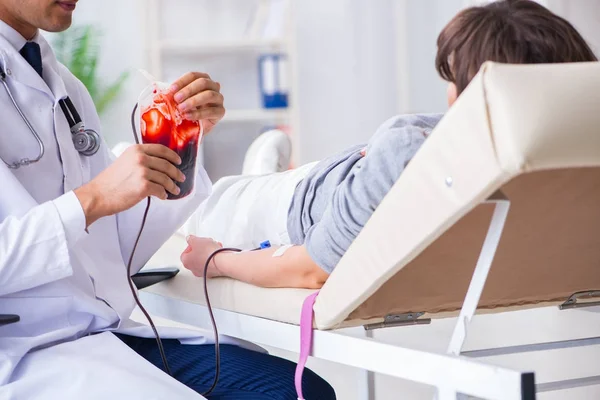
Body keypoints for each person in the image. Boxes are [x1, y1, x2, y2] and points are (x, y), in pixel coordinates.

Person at [0, 1, 335, 399]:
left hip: (98, 333)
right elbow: (90, 206)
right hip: (24, 351)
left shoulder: (63, 85)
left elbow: (113, 250)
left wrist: (183, 142)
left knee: (299, 391)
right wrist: (91, 199)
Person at [181, 0, 598, 289]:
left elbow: (311, 269)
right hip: (337, 177)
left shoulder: (408, 154)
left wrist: (215, 260)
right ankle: (264, 171)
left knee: (192, 205)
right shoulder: (570, 155)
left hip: (289, 210)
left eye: (453, 78)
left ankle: (261, 176)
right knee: (284, 173)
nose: (448, 93)